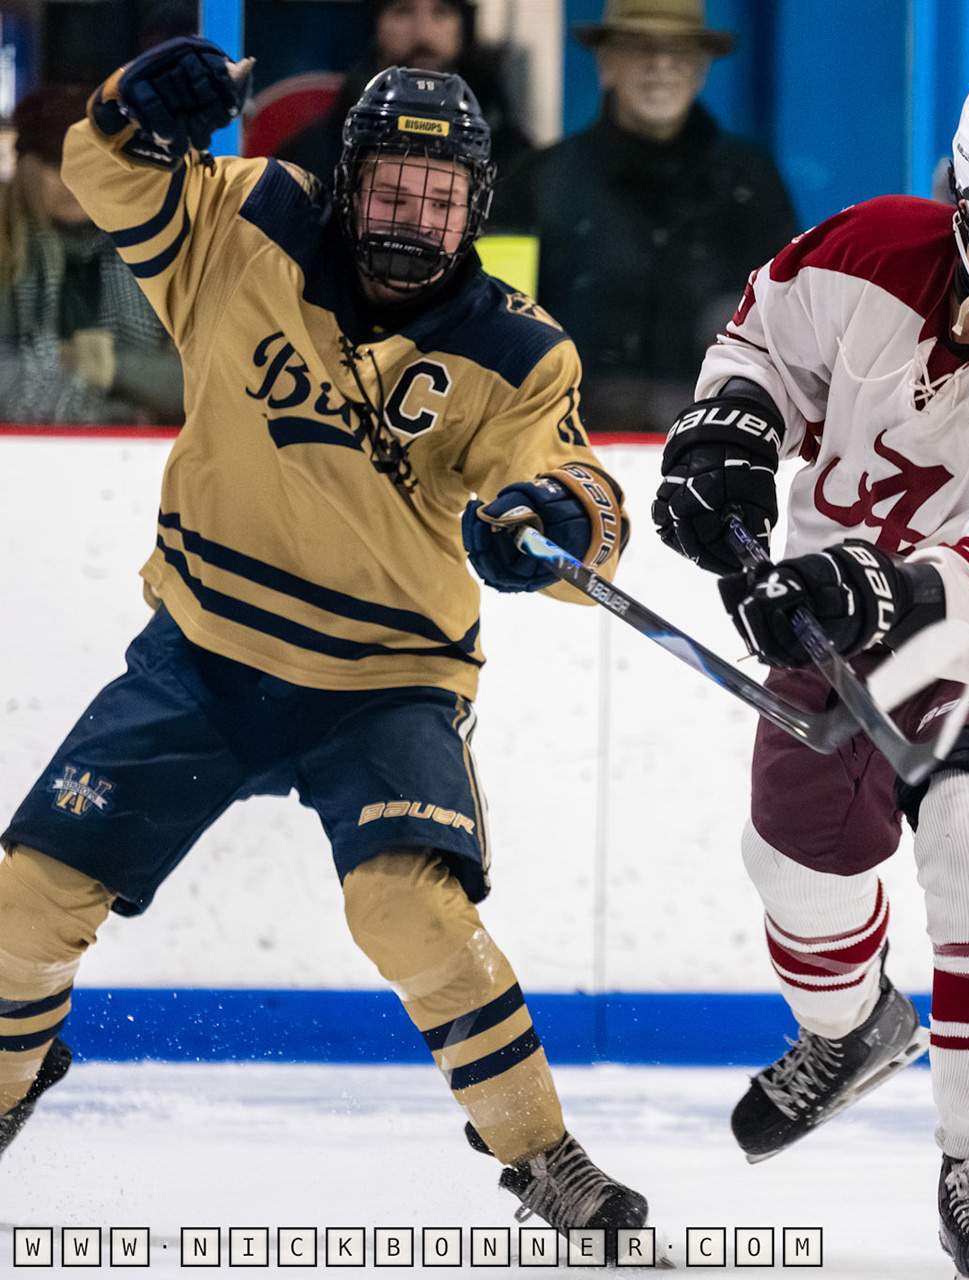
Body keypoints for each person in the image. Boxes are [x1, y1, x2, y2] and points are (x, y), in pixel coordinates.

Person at [0, 37, 650, 1241]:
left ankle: (542, 1153)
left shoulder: (519, 347)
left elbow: (580, 500)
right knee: (23, 902)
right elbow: (99, 168)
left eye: (442, 195)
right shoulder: (250, 219)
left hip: (386, 683)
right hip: (201, 652)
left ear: (477, 204)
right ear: (348, 180)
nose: (416, 214)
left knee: (409, 912)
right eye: (395, 188)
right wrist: (130, 110)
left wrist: (555, 526)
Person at [652, 71, 969, 1280]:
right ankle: (852, 1025)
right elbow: (763, 342)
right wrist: (732, 434)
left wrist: (879, 586)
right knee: (792, 855)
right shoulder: (868, 246)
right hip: (844, 601)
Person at [491, 0, 797, 433]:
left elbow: (792, 335)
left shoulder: (753, 184)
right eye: (640, 48)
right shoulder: (537, 184)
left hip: (715, 451)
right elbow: (497, 333)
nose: (661, 65)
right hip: (564, 450)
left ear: (703, 67)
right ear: (605, 62)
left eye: (680, 51)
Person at [0, 84, 182, 424]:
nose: (74, 184)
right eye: (58, 167)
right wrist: (114, 413)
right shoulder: (6, 253)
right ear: (27, 169)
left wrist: (110, 365)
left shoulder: (154, 256)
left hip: (139, 467)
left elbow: (200, 382)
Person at [275, 0, 531, 196]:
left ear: (463, 26)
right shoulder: (311, 153)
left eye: (441, 11)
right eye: (403, 11)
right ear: (376, 25)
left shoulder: (516, 157)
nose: (423, 35)